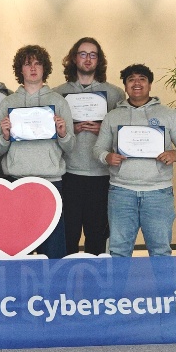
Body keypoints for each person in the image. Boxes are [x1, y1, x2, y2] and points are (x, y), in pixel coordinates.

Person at [95, 64, 176, 257]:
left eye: (142, 79)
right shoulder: (113, 116)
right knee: (118, 251)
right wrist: (106, 156)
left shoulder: (168, 114)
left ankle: (162, 281)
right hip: (121, 192)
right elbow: (98, 148)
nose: (137, 83)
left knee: (160, 252)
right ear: (125, 86)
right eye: (131, 79)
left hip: (158, 193)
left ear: (150, 84)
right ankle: (119, 281)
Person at [0, 45, 74, 259]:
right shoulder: (8, 103)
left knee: (53, 249)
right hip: (17, 182)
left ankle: (53, 283)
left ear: (45, 68)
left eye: (38, 63)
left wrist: (63, 133)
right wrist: (5, 136)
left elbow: (70, 147)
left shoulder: (58, 102)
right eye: (28, 64)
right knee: (21, 248)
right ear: (20, 69)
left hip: (51, 182)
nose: (33, 68)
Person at [56, 37, 125, 255]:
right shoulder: (58, 94)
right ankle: (66, 277)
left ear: (99, 60)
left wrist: (104, 130)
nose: (88, 59)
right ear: (74, 58)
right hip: (69, 173)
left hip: (101, 175)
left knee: (97, 237)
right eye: (83, 54)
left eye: (93, 55)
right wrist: (69, 130)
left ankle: (96, 277)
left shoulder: (115, 94)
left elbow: (124, 133)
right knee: (68, 235)